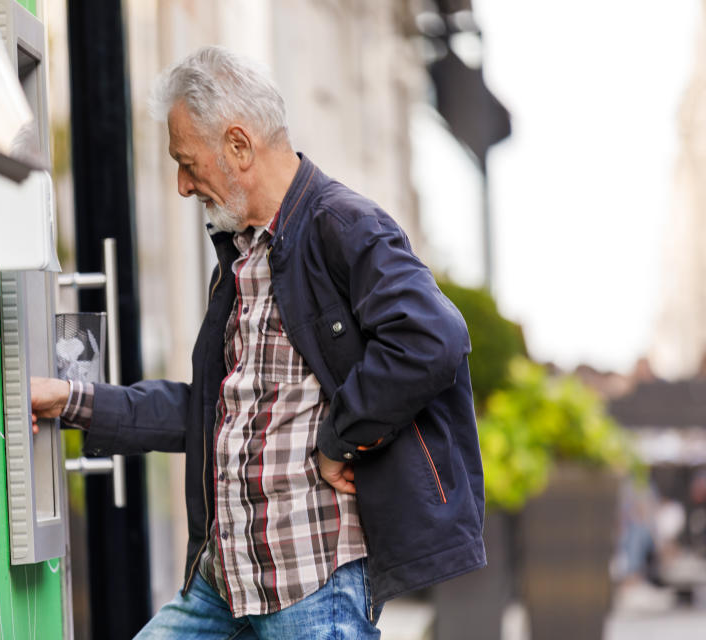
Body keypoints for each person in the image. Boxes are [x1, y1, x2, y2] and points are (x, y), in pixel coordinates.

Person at [30, 45, 486, 639]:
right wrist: (68, 399)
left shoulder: (345, 226)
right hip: (225, 580)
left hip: (311, 582)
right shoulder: (242, 257)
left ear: (239, 146)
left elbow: (435, 338)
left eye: (188, 162)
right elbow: (207, 411)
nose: (181, 185)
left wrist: (339, 440)